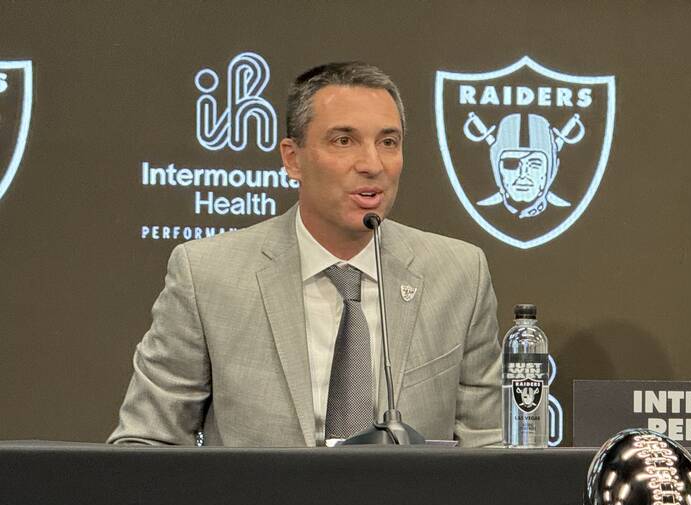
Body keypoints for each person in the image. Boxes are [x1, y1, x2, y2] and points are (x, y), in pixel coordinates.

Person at [110, 62, 502, 447]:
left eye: (388, 142)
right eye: (343, 140)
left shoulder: (458, 274)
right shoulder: (207, 274)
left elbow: (490, 448)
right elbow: (145, 441)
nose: (372, 164)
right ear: (293, 159)